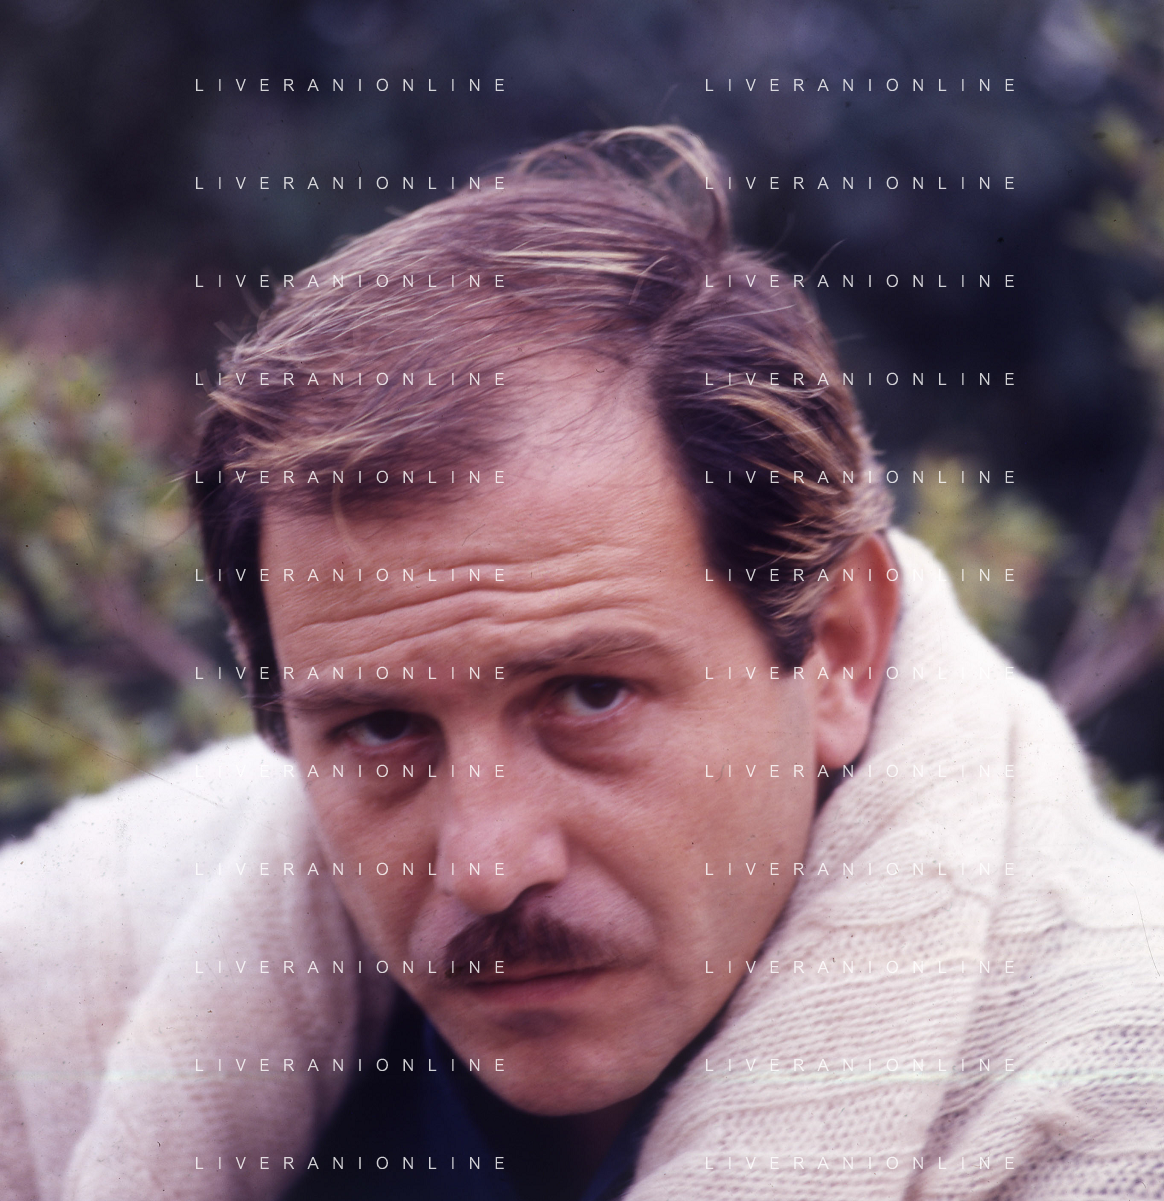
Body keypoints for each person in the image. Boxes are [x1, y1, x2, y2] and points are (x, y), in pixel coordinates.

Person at [1, 126, 1161, 1201]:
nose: (488, 865)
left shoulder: (1116, 1098)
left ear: (838, 652)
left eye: (589, 695)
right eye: (381, 728)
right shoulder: (67, 983)